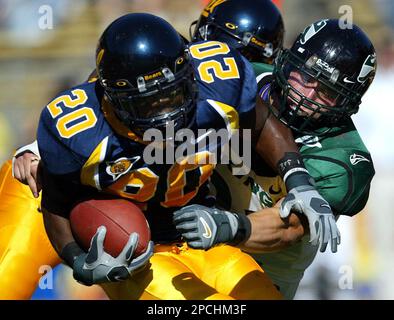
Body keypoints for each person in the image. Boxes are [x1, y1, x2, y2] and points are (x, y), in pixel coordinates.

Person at [9, 12, 287, 300]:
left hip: (175, 239)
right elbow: (55, 199)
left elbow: (262, 123)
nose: (164, 109)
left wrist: (296, 177)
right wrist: (79, 261)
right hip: (44, 198)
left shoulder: (218, 94)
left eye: (171, 93)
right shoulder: (82, 136)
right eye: (149, 102)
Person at [174, 19, 377, 299]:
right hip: (185, 237)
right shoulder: (244, 78)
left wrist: (226, 226)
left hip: (259, 273)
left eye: (327, 92)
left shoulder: (342, 160)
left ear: (348, 104)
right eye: (306, 76)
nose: (305, 95)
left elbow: (290, 226)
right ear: (289, 61)